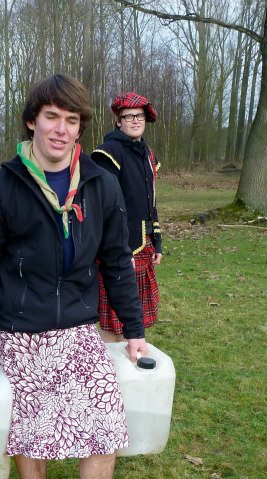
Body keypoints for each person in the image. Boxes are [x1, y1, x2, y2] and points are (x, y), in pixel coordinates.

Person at [0, 74, 153, 479]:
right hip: (22, 330)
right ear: (32, 121)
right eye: (52, 118)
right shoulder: (0, 187)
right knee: (31, 426)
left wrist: (134, 330)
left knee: (105, 419)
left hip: (80, 329)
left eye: (71, 120)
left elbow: (116, 262)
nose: (61, 130)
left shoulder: (100, 185)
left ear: (80, 127)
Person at [91, 92, 163, 342]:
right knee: (112, 323)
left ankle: (129, 364)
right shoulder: (107, 153)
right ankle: (111, 369)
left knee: (134, 320)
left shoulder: (148, 154)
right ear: (118, 121)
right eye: (128, 116)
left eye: (139, 116)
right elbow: (103, 208)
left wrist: (157, 241)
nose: (135, 120)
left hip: (143, 244)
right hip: (117, 247)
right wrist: (118, 252)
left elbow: (150, 201)